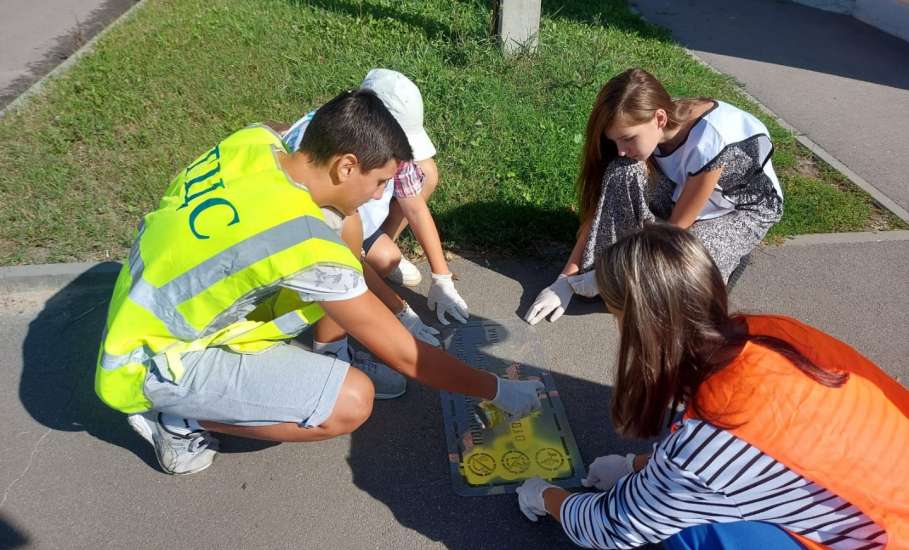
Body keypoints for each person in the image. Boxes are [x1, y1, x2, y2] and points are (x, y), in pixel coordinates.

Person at [94, 89, 543, 476]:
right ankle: (178, 419)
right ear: (346, 165)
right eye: (379, 181)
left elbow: (278, 130)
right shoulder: (301, 244)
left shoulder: (253, 142)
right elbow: (408, 357)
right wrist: (499, 390)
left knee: (344, 230)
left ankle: (316, 353)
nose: (378, 195)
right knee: (350, 400)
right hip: (150, 360)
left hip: (142, 308)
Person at [515, 224, 909, 549]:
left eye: (615, 313)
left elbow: (610, 526)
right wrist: (637, 466)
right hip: (887, 498)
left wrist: (546, 496)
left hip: (887, 538)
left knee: (691, 531)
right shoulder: (773, 331)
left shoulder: (709, 444)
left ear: (637, 324)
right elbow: (756, 460)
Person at [525, 68, 784, 325]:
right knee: (620, 171)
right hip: (688, 192)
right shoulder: (652, 124)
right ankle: (613, 265)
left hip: (741, 210)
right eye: (616, 141)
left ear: (659, 119)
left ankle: (727, 253)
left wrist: (616, 275)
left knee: (676, 291)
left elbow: (675, 233)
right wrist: (565, 279)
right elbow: (601, 206)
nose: (622, 150)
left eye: (627, 139)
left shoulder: (710, 142)